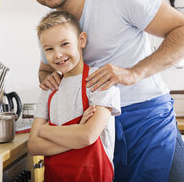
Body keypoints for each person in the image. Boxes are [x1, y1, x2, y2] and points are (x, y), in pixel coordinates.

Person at [14, 0, 184, 182]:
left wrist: (134, 73)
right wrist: (47, 80)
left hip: (146, 121)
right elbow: (45, 71)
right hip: (96, 131)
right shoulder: (52, 27)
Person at [30, 10, 121, 181]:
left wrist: (45, 130)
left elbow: (87, 136)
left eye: (65, 44)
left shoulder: (99, 81)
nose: (57, 54)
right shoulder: (49, 89)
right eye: (49, 49)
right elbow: (34, 146)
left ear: (81, 40)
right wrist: (77, 130)